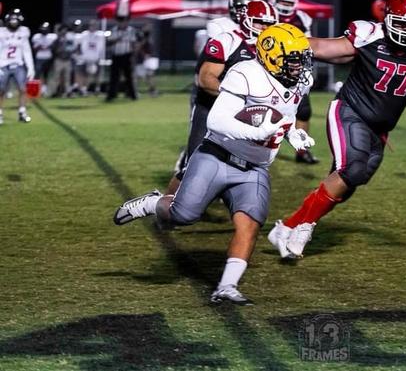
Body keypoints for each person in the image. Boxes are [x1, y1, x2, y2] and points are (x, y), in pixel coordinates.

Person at [113, 24, 316, 305]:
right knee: (183, 215)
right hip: (217, 155)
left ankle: (227, 286)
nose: (299, 66)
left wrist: (293, 133)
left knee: (250, 224)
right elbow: (217, 121)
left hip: (254, 167)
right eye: (293, 60)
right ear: (271, 56)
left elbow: (285, 114)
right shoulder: (245, 74)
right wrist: (257, 133)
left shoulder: (301, 80)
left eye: (301, 58)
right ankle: (152, 203)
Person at [268, 0, 406, 259]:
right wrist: (283, 41)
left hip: (381, 128)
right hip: (350, 111)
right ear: (387, 18)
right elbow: (325, 48)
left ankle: (288, 226)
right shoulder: (368, 34)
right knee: (351, 170)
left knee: (350, 181)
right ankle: (304, 226)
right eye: (402, 23)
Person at [165, 0, 278, 195]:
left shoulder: (274, 47)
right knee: (195, 164)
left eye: (269, 23)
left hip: (246, 114)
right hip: (211, 108)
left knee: (244, 165)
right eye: (260, 22)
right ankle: (164, 207)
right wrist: (238, 97)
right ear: (245, 20)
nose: (265, 28)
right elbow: (206, 78)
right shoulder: (227, 40)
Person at [271, 0, 319, 164]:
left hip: (295, 70)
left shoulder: (303, 18)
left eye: (287, 2)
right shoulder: (268, 15)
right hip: (270, 70)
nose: (284, 6)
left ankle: (302, 151)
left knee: (303, 111)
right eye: (281, 1)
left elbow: (307, 44)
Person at [0, 9, 35, 124]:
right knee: (1, 90)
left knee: (23, 89)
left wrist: (30, 67)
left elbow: (27, 51)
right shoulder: (2, 32)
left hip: (18, 64)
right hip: (3, 65)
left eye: (16, 21)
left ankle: (22, 112)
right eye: (12, 20)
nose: (14, 23)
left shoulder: (23, 32)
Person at [105, 16, 137, 102]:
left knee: (128, 76)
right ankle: (111, 95)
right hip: (116, 55)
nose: (123, 24)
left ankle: (132, 94)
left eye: (124, 22)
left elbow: (133, 43)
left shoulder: (131, 31)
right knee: (114, 76)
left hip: (126, 55)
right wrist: (116, 40)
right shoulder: (114, 30)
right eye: (121, 22)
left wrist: (133, 55)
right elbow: (108, 42)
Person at [31, 22, 57, 96]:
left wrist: (48, 46)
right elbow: (35, 49)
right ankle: (35, 90)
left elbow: (54, 46)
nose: (44, 30)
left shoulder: (52, 36)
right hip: (39, 58)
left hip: (48, 57)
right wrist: (42, 47)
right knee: (37, 75)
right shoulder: (36, 37)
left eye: (45, 29)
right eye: (43, 29)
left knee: (46, 74)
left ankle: (44, 90)